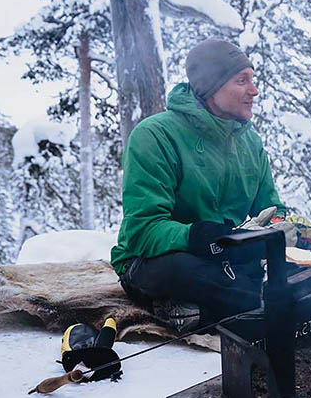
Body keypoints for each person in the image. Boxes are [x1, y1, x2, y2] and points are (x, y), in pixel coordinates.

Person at [110, 39, 290, 331]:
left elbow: (271, 208)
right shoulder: (155, 136)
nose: (254, 91)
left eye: (252, 80)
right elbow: (142, 231)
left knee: (289, 268)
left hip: (223, 256)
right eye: (241, 80)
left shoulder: (250, 143)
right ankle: (226, 305)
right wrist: (198, 235)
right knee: (185, 270)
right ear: (211, 87)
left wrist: (287, 228)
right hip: (156, 260)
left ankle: (207, 308)